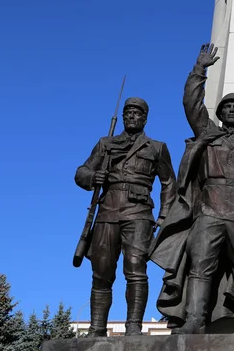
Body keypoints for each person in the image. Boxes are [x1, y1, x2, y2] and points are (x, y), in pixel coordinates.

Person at [150, 43, 234, 334]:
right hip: (209, 211)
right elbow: (192, 104)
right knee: (200, 269)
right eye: (227, 107)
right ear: (220, 114)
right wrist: (200, 70)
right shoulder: (208, 135)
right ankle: (196, 320)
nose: (232, 110)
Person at [74, 97, 176, 336]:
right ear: (123, 117)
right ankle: (97, 328)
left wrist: (163, 217)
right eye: (128, 112)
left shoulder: (156, 147)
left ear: (145, 118)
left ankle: (133, 327)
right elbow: (81, 172)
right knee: (101, 271)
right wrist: (93, 177)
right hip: (107, 212)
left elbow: (169, 183)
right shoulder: (106, 144)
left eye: (137, 113)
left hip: (139, 213)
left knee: (135, 269)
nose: (132, 116)